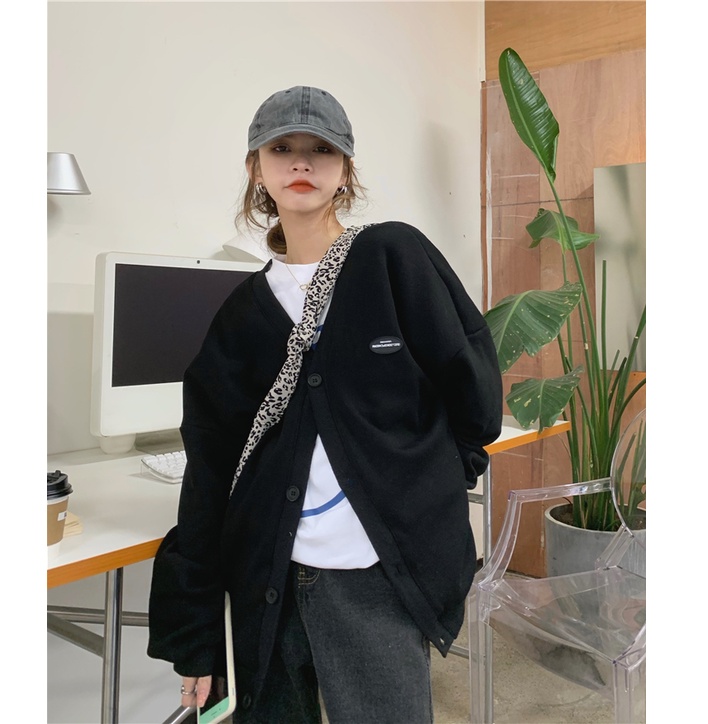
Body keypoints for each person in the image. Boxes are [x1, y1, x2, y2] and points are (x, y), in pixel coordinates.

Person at [148, 85, 503, 724]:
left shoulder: (392, 258)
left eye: (321, 150)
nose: (301, 163)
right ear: (255, 168)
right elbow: (209, 477)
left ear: (345, 170)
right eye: (282, 148)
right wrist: (196, 633)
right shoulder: (240, 318)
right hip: (265, 581)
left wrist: (425, 489)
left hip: (374, 579)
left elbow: (473, 397)